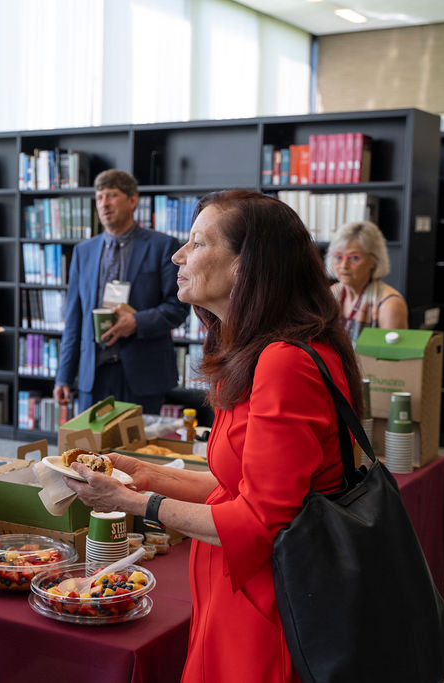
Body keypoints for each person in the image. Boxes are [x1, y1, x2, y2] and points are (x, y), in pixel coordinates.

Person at [63, 190, 363, 681]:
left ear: (246, 268)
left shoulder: (284, 364)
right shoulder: (253, 353)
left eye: (198, 243)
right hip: (234, 593)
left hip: (270, 604)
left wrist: (136, 504)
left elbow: (260, 523)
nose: (178, 255)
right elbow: (240, 486)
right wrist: (147, 475)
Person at [54, 169, 189, 414]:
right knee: (90, 450)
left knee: (136, 452)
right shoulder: (84, 252)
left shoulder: (162, 246)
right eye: (99, 197)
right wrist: (63, 376)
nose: (104, 203)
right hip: (93, 376)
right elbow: (74, 318)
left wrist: (136, 322)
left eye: (112, 195)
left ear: (133, 200)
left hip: (142, 374)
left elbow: (177, 308)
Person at [326, 219, 408, 342]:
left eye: (354, 258)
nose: (344, 265)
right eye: (338, 257)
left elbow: (394, 359)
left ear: (374, 260)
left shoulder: (390, 304)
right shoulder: (330, 294)